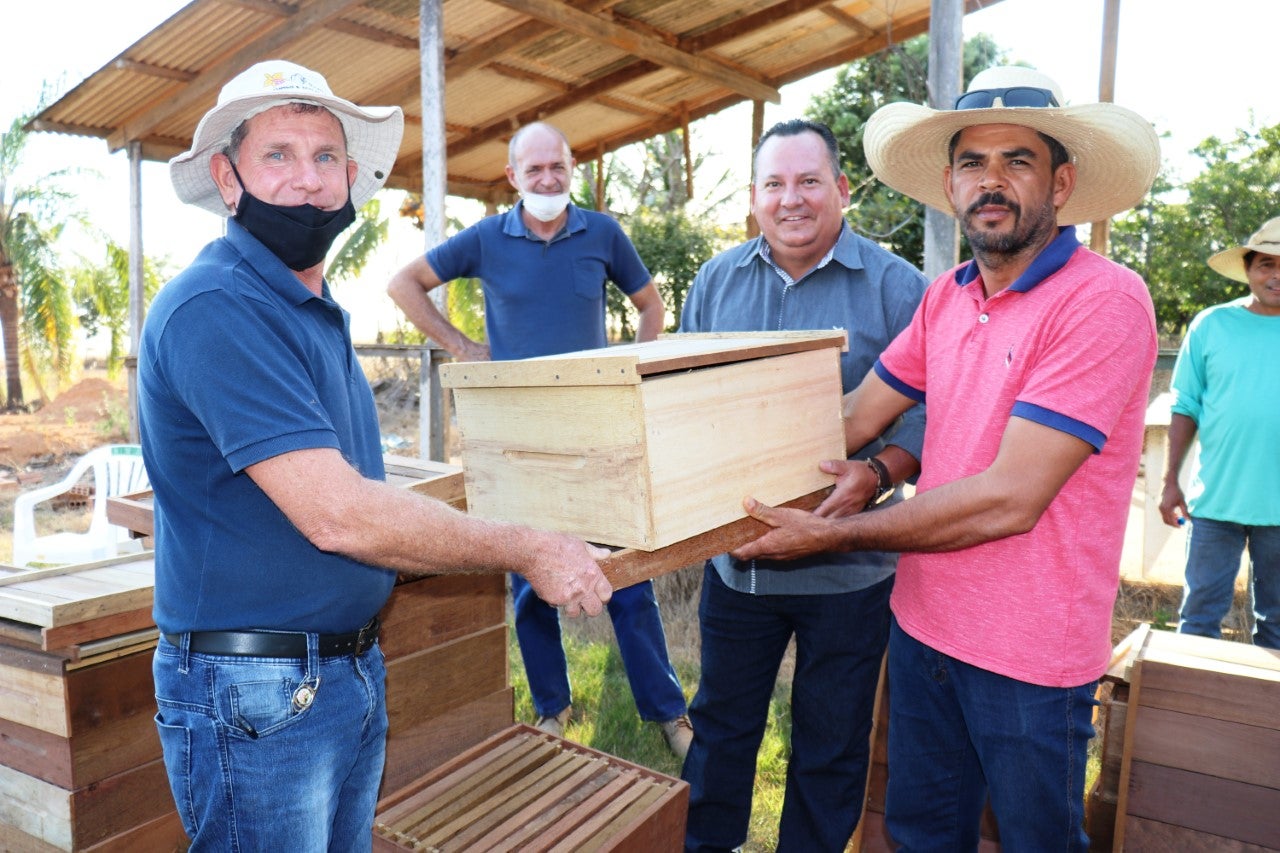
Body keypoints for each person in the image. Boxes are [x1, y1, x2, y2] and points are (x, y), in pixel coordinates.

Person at [140, 60, 613, 852]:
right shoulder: (219, 304)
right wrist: (526, 545)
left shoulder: (308, 307)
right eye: (278, 156)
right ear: (227, 179)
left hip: (339, 669)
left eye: (326, 158)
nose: (307, 180)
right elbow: (338, 513)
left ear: (352, 180)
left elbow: (356, 490)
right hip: (255, 688)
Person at [730, 67, 1161, 849]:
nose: (991, 182)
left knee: (1037, 839)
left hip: (1030, 654)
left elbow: (1010, 498)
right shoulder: (946, 296)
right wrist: (721, 471)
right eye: (973, 163)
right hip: (925, 628)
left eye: (1017, 161)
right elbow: (857, 414)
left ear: (1061, 182)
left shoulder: (1104, 298)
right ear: (949, 183)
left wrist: (836, 532)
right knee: (921, 834)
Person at [386, 121, 692, 756]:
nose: (548, 180)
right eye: (535, 171)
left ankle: (667, 712)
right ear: (513, 177)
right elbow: (403, 285)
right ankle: (552, 706)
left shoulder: (602, 233)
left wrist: (636, 365)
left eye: (557, 167)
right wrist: (465, 348)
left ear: (571, 166)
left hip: (598, 429)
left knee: (627, 572)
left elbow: (650, 305)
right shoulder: (487, 238)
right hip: (516, 436)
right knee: (529, 580)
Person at [676, 119, 928, 852]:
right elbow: (684, 399)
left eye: (809, 181)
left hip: (851, 570)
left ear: (842, 190)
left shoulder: (897, 287)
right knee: (720, 731)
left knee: (831, 744)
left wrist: (878, 472)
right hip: (740, 567)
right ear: (753, 197)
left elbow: (931, 411)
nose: (792, 199)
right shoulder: (715, 282)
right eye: (774, 184)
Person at [1160, 216, 1280, 648]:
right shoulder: (1211, 325)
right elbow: (1185, 404)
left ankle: (1266, 717)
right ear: (1247, 269)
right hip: (1215, 503)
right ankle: (1190, 715)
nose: (1276, 275)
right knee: (1198, 619)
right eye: (1266, 263)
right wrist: (1169, 480)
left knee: (1278, 627)